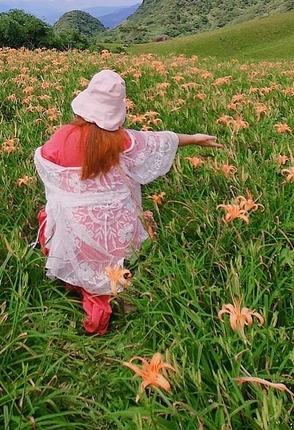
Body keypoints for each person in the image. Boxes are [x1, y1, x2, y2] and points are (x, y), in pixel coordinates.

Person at [34, 69, 224, 335]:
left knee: (52, 212)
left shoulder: (61, 137)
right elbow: (160, 140)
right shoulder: (121, 140)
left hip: (75, 232)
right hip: (116, 232)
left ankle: (96, 288)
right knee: (129, 201)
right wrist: (194, 139)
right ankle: (117, 287)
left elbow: (45, 165)